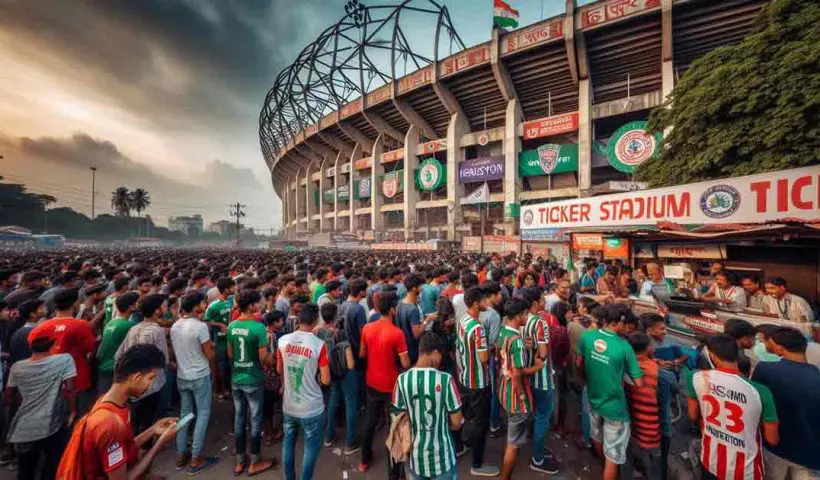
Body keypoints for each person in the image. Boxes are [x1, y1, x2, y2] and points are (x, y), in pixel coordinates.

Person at [55, 344, 179, 480]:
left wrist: (153, 430)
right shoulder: (110, 423)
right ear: (137, 377)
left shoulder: (110, 402)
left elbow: (124, 446)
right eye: (151, 378)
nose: (151, 384)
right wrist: (159, 444)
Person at [686, 334, 779, 480]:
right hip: (746, 471)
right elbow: (772, 439)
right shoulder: (760, 392)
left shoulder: (695, 378)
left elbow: (692, 415)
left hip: (710, 460)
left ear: (712, 355)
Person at [577, 304, 644, 480]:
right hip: (615, 408)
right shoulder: (624, 347)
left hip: (593, 398)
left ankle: (604, 467)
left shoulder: (587, 336)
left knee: (597, 437)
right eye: (627, 326)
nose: (629, 330)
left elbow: (579, 364)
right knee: (613, 457)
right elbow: (639, 382)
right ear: (617, 323)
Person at [5, 333, 76, 480]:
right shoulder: (64, 360)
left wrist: (24, 401)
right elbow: (70, 389)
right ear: (51, 347)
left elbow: (9, 396)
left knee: (25, 471)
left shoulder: (17, 367)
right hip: (52, 425)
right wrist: (72, 411)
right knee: (51, 467)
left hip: (24, 428)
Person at [391, 332, 463, 480]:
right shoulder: (446, 380)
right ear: (435, 352)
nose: (440, 360)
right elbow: (457, 423)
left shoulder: (402, 380)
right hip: (443, 459)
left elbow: (398, 419)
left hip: (416, 459)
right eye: (440, 355)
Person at [751, 327, 820, 478]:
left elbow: (754, 405)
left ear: (780, 348)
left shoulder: (765, 370)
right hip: (809, 455)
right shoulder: (816, 376)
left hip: (774, 448)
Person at [357, 291, 410, 477]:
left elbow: (362, 355)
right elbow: (405, 363)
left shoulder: (367, 328)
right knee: (393, 428)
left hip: (372, 381)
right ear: (393, 309)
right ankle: (393, 472)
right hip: (392, 386)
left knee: (370, 421)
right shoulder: (397, 333)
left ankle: (364, 460)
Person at [277, 303, 330, 480]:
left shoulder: (282, 341)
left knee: (288, 443)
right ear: (315, 321)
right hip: (311, 407)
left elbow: (279, 369)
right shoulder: (319, 345)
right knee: (310, 450)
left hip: (289, 405)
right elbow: (326, 380)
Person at [227, 289, 277, 475]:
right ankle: (255, 460)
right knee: (255, 420)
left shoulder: (232, 326)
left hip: (237, 379)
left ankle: (240, 460)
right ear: (251, 305)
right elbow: (264, 358)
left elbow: (231, 354)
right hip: (253, 379)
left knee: (240, 420)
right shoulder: (258, 328)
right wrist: (276, 360)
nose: (261, 304)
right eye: (258, 302)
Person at [170, 291, 219, 474]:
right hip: (199, 375)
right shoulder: (199, 327)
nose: (205, 305)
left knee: (185, 415)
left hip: (183, 375)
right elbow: (209, 355)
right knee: (203, 414)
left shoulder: (175, 326)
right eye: (202, 303)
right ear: (196, 305)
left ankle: (181, 454)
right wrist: (212, 349)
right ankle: (196, 457)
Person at [497, 298, 545, 480]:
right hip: (515, 394)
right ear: (517, 316)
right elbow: (517, 374)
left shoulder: (504, 333)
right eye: (525, 314)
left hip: (504, 389)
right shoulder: (516, 340)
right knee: (513, 443)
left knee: (513, 436)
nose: (527, 317)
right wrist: (537, 367)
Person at [27, 288, 96, 414]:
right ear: (74, 303)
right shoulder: (81, 325)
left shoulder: (40, 328)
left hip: (49, 379)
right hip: (77, 378)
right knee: (80, 415)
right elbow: (90, 348)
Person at [453, 286, 498, 477]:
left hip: (464, 376)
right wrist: (492, 348)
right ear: (475, 303)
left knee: (465, 416)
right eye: (483, 300)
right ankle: (477, 464)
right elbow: (484, 358)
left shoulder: (463, 320)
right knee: (481, 422)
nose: (487, 303)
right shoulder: (478, 328)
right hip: (478, 381)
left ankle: (460, 445)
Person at [622, 331, 676, 480]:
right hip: (653, 426)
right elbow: (671, 390)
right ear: (647, 348)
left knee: (633, 452)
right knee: (656, 459)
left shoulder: (626, 365)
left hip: (634, 421)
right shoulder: (660, 372)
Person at [114, 294, 170, 435]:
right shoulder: (157, 331)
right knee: (150, 421)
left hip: (134, 383)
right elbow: (163, 360)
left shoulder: (134, 328)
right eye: (163, 306)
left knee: (136, 420)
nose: (165, 308)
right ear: (157, 311)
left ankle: (135, 445)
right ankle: (146, 447)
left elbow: (119, 355)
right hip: (152, 384)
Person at [519, 287, 559, 474]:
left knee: (537, 415)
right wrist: (540, 356)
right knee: (543, 417)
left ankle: (538, 450)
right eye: (542, 300)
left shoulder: (524, 320)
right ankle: (537, 458)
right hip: (542, 378)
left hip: (531, 377)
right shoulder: (540, 323)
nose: (545, 303)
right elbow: (543, 353)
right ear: (535, 304)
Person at [317, 303, 358, 453]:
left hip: (329, 371)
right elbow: (351, 363)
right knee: (351, 403)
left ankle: (329, 436)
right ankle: (350, 441)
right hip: (345, 372)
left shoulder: (318, 332)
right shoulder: (340, 333)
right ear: (335, 316)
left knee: (333, 401)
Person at [96, 292, 139, 394]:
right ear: (130, 307)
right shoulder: (128, 325)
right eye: (136, 303)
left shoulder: (110, 323)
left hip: (104, 367)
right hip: (116, 370)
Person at [204, 277, 236, 399]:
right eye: (232, 287)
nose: (235, 289)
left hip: (232, 339)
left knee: (231, 365)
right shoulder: (213, 306)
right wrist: (220, 324)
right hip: (220, 341)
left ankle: (232, 388)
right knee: (222, 367)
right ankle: (223, 388)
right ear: (226, 289)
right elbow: (207, 321)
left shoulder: (233, 300)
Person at [395, 274, 434, 365]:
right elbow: (416, 333)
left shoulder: (400, 303)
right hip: (413, 350)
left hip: (405, 347)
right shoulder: (412, 309)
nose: (422, 289)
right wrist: (428, 319)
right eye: (420, 286)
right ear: (414, 288)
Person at [7, 299, 45, 367]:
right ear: (33, 314)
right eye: (41, 308)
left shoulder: (17, 333)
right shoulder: (36, 332)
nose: (45, 309)